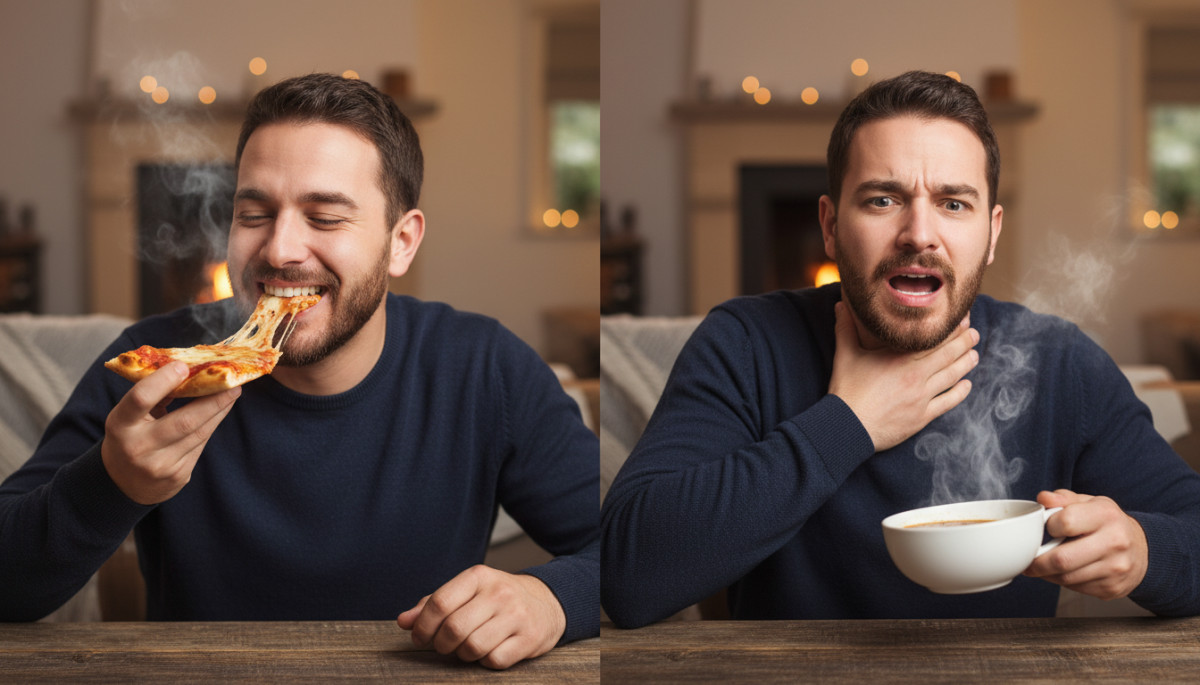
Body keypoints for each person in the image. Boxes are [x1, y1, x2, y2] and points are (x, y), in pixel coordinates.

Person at [0, 73, 598, 669]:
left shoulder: (483, 367)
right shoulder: (157, 365)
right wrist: (111, 485)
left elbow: (630, 552)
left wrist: (553, 599)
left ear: (401, 243)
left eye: (325, 217)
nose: (281, 250)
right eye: (254, 213)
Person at [600, 70, 1200, 627]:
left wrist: (1146, 552)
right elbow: (625, 576)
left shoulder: (1056, 361)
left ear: (991, 234)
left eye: (953, 203)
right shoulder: (747, 343)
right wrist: (850, 422)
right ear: (831, 226)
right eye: (882, 200)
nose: (919, 233)